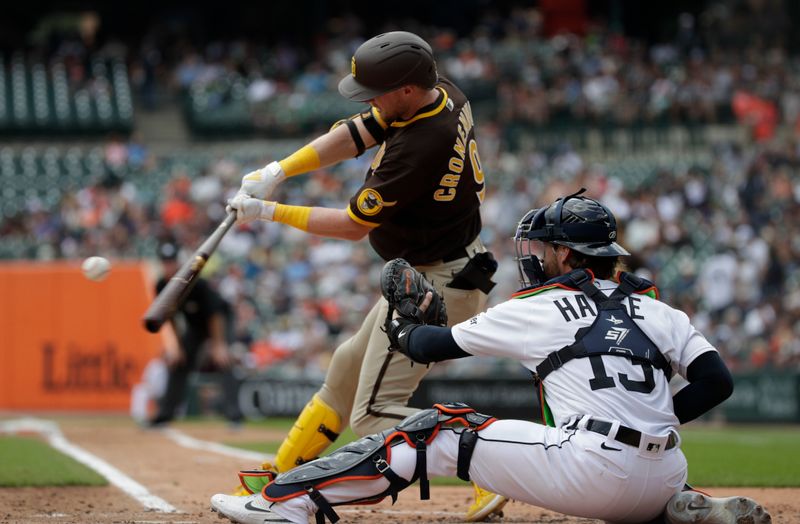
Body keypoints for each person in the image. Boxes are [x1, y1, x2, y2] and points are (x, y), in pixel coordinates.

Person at [210, 190, 771, 524]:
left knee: (437, 427)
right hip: (668, 470)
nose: (534, 256)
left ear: (566, 254)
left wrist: (403, 324)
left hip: (592, 470)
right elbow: (717, 382)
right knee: (639, 475)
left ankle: (285, 502)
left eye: (542, 247)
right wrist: (657, 422)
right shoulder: (657, 308)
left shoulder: (541, 305)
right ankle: (678, 509)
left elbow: (435, 346)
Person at [225, 30, 506, 521]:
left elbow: (355, 226)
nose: (370, 101)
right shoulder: (440, 92)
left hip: (436, 283)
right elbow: (358, 132)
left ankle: (495, 465)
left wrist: (269, 211)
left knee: (374, 413)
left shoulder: (420, 145)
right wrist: (282, 168)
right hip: (434, 270)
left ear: (405, 90)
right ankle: (283, 475)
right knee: (346, 366)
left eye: (377, 91)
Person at [147, 241, 244, 427]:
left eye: (171, 261)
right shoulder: (161, 286)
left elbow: (215, 314)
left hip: (220, 323)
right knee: (177, 362)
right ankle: (164, 415)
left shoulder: (194, 282)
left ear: (178, 262)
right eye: (165, 262)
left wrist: (218, 344)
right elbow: (170, 318)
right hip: (196, 327)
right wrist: (176, 346)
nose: (168, 266)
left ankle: (234, 416)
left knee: (224, 361)